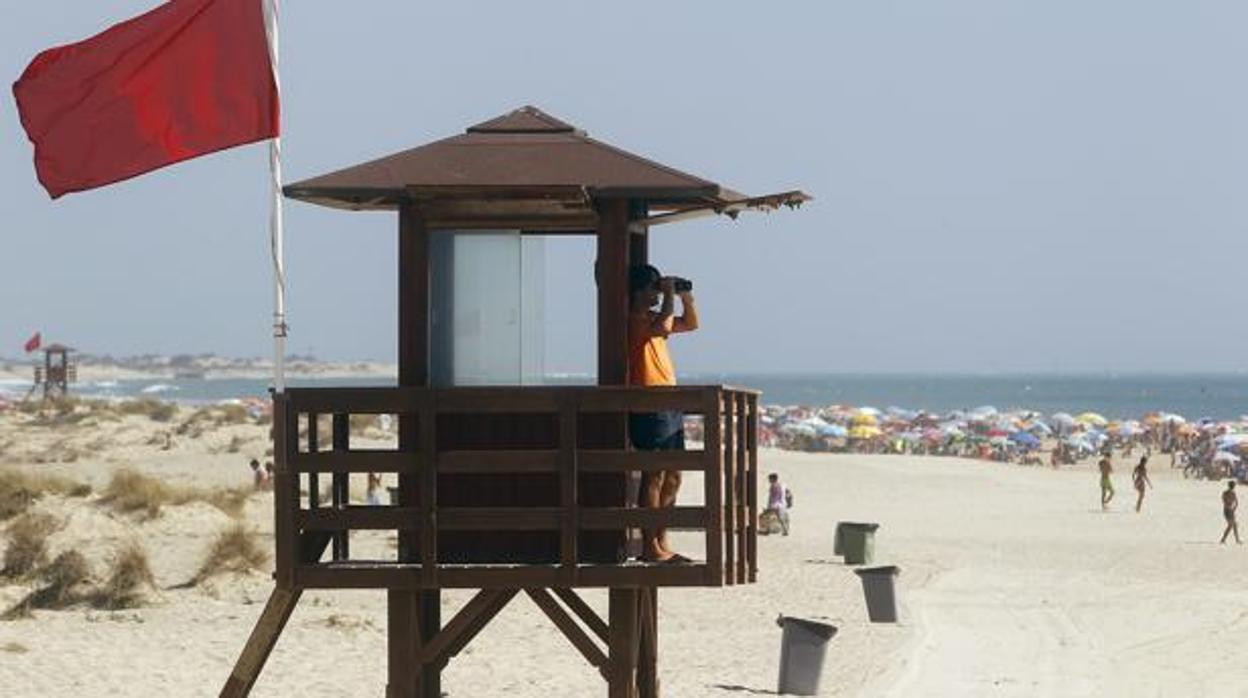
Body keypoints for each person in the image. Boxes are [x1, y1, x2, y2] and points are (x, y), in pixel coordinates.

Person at [627, 263, 698, 563]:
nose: (657, 292)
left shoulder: (656, 318)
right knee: (654, 474)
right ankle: (649, 546)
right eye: (653, 287)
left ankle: (661, 540)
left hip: (669, 402)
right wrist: (669, 294)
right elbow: (663, 327)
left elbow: (691, 324)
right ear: (640, 291)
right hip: (648, 403)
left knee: (674, 476)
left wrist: (685, 297)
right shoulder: (633, 320)